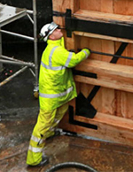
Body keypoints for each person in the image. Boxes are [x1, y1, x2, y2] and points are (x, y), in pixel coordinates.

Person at [26, 22, 90, 167]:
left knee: (62, 110)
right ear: (51, 36)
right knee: (42, 126)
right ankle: (33, 159)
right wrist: (86, 51)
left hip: (58, 95)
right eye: (56, 29)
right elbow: (73, 60)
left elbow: (59, 41)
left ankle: (49, 132)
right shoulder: (56, 52)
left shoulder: (55, 46)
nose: (60, 30)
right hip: (51, 97)